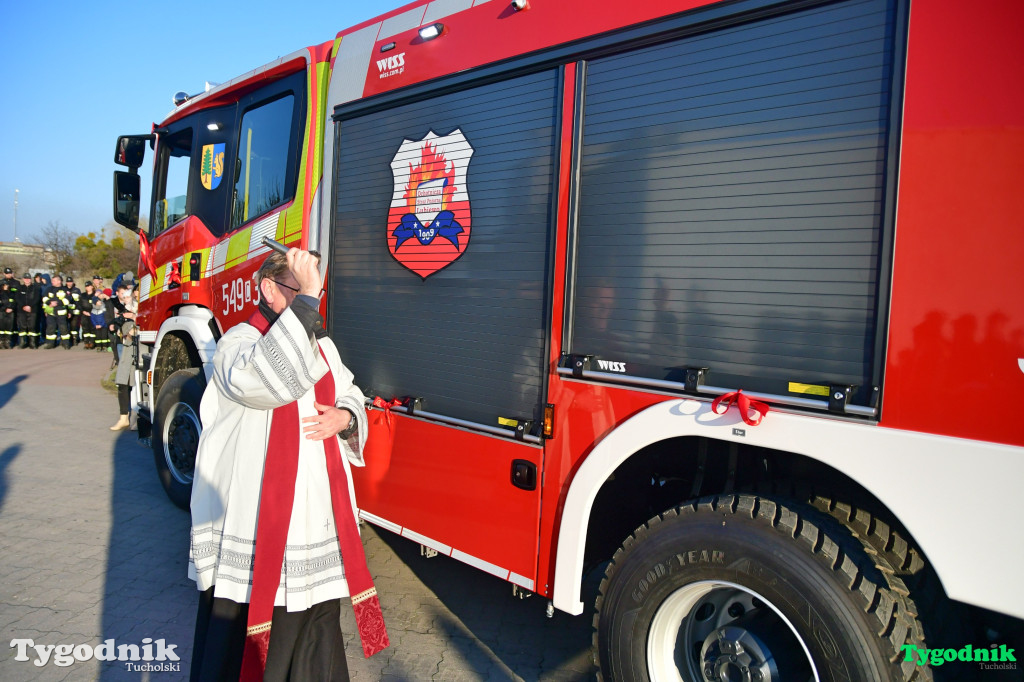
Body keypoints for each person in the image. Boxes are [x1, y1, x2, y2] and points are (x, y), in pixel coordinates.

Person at [188, 249, 388, 681]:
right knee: (250, 643)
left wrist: (347, 416)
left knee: (317, 624)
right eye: (302, 287)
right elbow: (264, 382)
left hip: (313, 521)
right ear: (268, 289)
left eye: (316, 290)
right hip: (257, 521)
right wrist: (309, 301)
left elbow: (352, 392)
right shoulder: (236, 344)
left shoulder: (322, 347)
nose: (314, 302)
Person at [109, 281, 138, 431]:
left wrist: (134, 317)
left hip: (138, 349)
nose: (130, 297)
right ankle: (123, 418)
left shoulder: (140, 307)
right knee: (122, 383)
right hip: (127, 348)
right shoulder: (127, 307)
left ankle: (138, 418)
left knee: (137, 385)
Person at [41, 274, 72, 349]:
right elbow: (44, 298)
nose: (52, 282)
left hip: (61, 312)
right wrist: (50, 303)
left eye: (54, 280)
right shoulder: (49, 289)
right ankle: (50, 343)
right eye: (52, 280)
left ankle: (66, 343)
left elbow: (67, 300)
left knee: (63, 328)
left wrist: (57, 303)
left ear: (59, 281)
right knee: (50, 328)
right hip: (51, 312)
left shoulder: (65, 290)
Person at [15, 273, 40, 349]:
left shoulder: (35, 288)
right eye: (25, 278)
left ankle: (32, 343)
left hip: (32, 310)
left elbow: (37, 298)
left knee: (32, 326)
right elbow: (17, 298)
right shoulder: (19, 288)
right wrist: (23, 306)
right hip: (21, 310)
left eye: (28, 278)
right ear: (23, 279)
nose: (27, 280)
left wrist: (30, 306)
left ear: (31, 279)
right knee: (22, 327)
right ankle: (22, 342)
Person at [0, 268, 15, 348]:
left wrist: (11, 308)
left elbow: (15, 301)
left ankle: (7, 342)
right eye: (4, 285)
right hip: (2, 311)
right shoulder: (1, 293)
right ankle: (1, 342)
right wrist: (4, 308)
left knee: (9, 328)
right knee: (1, 328)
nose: (5, 287)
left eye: (6, 285)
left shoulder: (11, 293)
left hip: (10, 311)